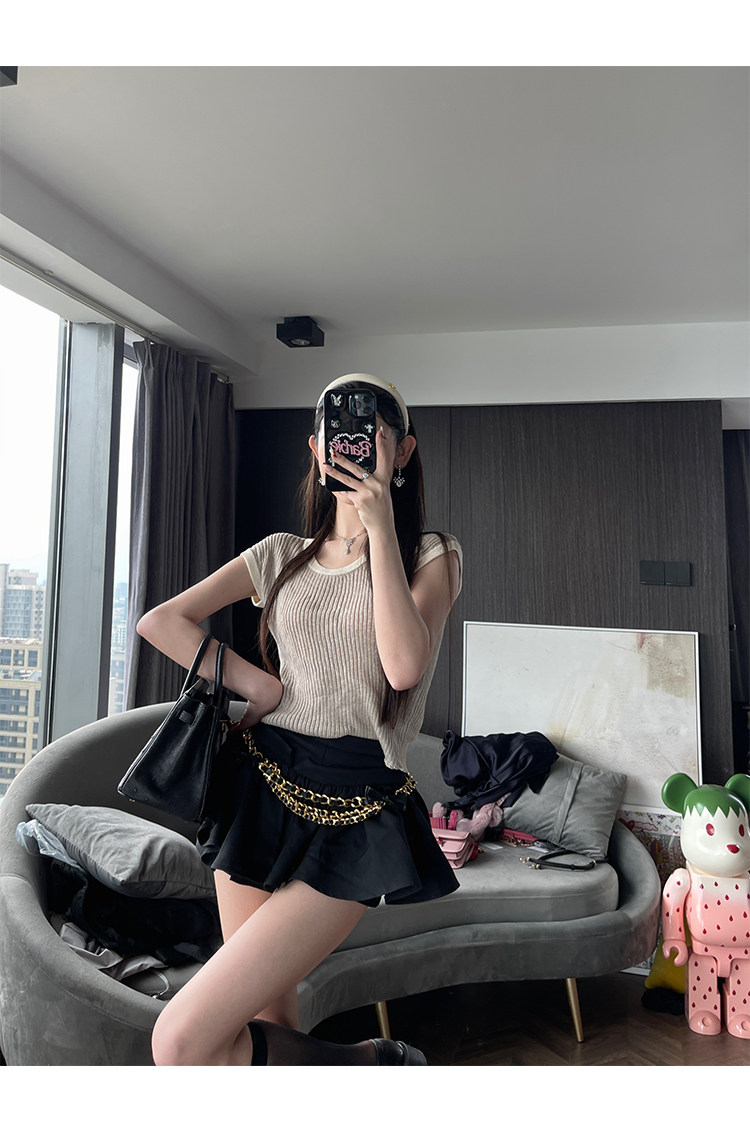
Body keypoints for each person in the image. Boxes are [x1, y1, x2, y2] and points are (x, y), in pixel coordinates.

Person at [137, 373, 462, 1066]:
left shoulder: (432, 555)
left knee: (181, 1041)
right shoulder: (280, 554)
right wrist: (256, 682)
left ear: (402, 450)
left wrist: (379, 524)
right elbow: (162, 621)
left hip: (356, 805)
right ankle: (370, 1065)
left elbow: (404, 668)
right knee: (260, 1029)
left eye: (371, 432)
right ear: (317, 449)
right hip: (257, 787)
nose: (351, 445)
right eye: (336, 434)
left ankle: (374, 1064)